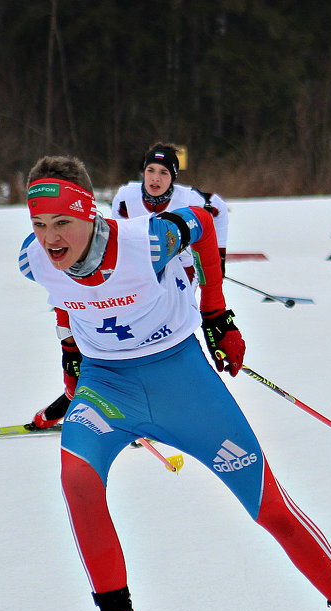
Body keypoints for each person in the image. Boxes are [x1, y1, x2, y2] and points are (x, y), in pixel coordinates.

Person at [19, 155, 331, 611]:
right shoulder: (34, 258)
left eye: (62, 222)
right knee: (77, 482)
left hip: (181, 383)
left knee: (269, 507)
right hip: (107, 389)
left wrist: (216, 314)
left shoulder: (148, 239)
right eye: (39, 225)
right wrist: (70, 351)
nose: (51, 239)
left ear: (89, 212)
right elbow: (62, 298)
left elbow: (204, 226)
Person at [29, 142, 230, 430]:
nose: (155, 178)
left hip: (176, 272)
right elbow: (112, 237)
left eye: (163, 172)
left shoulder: (190, 198)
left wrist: (217, 260)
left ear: (174, 177)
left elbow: (214, 214)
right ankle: (83, 399)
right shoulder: (126, 196)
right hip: (127, 272)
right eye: (150, 170)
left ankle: (165, 403)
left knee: (159, 335)